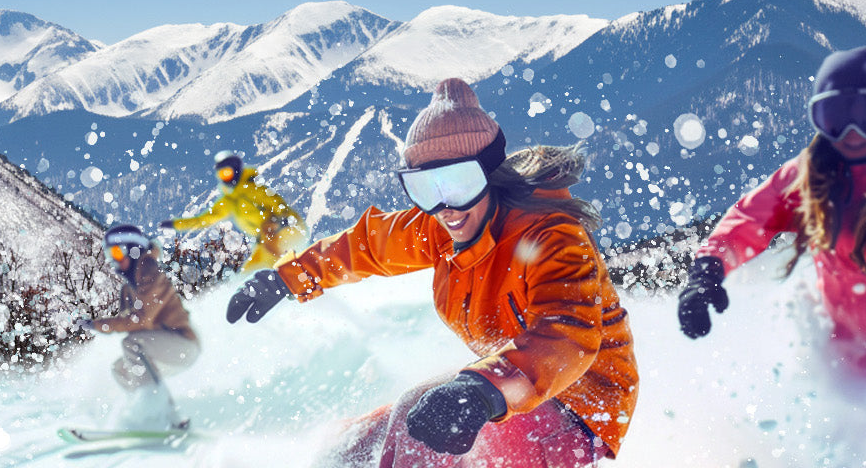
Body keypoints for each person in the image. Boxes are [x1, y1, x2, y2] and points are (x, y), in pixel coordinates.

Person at [228, 78, 638, 467]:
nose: (446, 207)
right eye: (427, 189)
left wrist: (483, 391)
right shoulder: (439, 228)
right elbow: (368, 244)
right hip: (502, 392)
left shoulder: (551, 236)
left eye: (460, 183)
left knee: (417, 424)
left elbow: (566, 335)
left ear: (490, 175)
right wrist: (288, 276)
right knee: (352, 444)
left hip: (578, 409)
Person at [679, 44, 866, 467]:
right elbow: (751, 220)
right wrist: (708, 269)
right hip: (848, 356)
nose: (853, 133)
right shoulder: (810, 174)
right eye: (836, 117)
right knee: (828, 446)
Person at [80, 224, 201, 431]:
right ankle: (171, 418)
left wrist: (99, 324)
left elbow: (141, 320)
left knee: (132, 344)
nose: (113, 260)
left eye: (116, 252)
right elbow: (131, 323)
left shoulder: (150, 271)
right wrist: (94, 325)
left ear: (132, 248)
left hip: (182, 344)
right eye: (109, 254)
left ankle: (150, 409)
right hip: (161, 349)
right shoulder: (129, 287)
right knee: (121, 368)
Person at [162, 150, 309, 273]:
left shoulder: (254, 189)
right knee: (250, 271)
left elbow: (279, 206)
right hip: (265, 240)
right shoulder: (230, 201)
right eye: (222, 175)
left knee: (273, 254)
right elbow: (205, 219)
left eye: (228, 173)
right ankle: (258, 291)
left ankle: (297, 274)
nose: (226, 178)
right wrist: (175, 224)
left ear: (237, 170)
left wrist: (280, 220)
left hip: (287, 228)